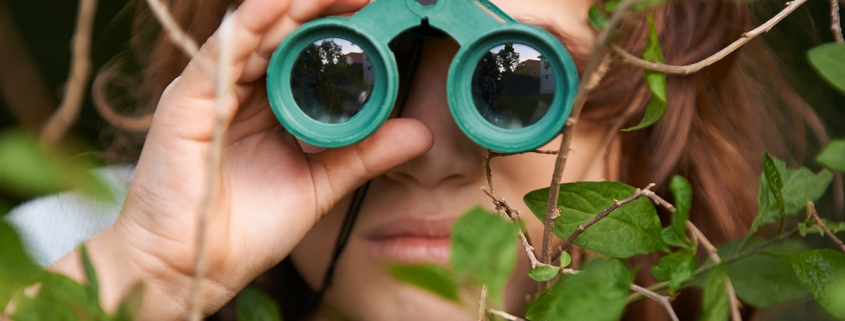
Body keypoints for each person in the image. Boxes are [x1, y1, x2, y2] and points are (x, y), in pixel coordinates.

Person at [15, 0, 817, 320]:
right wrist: (148, 276)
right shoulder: (70, 254)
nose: (426, 157)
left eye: (517, 87)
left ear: (651, 110)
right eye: (337, 78)